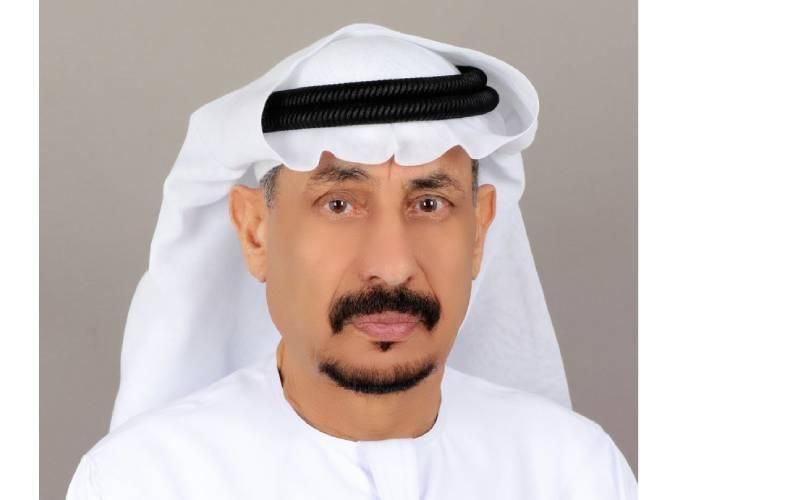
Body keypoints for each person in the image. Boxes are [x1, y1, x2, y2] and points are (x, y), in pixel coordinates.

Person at [66, 23, 637, 499]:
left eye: (430, 204)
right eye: (339, 204)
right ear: (256, 232)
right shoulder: (141, 482)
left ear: (479, 231)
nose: (392, 266)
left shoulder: (574, 472)